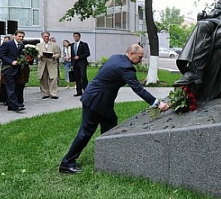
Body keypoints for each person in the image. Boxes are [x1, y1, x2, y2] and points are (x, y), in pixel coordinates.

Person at [59, 44, 169, 174]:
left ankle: (107, 155)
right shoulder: (126, 67)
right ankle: (66, 164)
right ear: (132, 54)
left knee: (110, 123)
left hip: (100, 100)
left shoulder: (117, 58)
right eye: (139, 57)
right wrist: (157, 103)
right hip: (96, 100)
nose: (140, 60)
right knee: (85, 132)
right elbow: (137, 89)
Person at [0, 30, 26, 112]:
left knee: (16, 87)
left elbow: (21, 56)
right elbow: (1, 55)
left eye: (22, 37)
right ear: (14, 36)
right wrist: (11, 61)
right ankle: (15, 106)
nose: (21, 38)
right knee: (11, 87)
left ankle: (11, 105)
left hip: (18, 70)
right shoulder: (8, 44)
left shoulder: (22, 45)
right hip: (8, 69)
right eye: (19, 36)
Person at [36, 31, 61, 99]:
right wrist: (40, 56)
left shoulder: (54, 45)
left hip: (51, 63)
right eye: (45, 36)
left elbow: (58, 54)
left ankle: (53, 93)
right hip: (43, 63)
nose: (46, 38)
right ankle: (45, 93)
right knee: (43, 79)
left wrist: (54, 56)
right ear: (42, 37)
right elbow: (36, 54)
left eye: (47, 36)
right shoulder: (38, 45)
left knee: (53, 78)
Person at [71, 32, 90, 97]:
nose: (76, 37)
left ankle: (86, 90)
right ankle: (79, 91)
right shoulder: (72, 45)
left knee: (83, 76)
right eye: (74, 36)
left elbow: (87, 53)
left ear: (79, 37)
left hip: (82, 63)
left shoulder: (84, 44)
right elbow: (71, 54)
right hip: (75, 64)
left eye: (77, 36)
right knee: (77, 77)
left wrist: (79, 57)